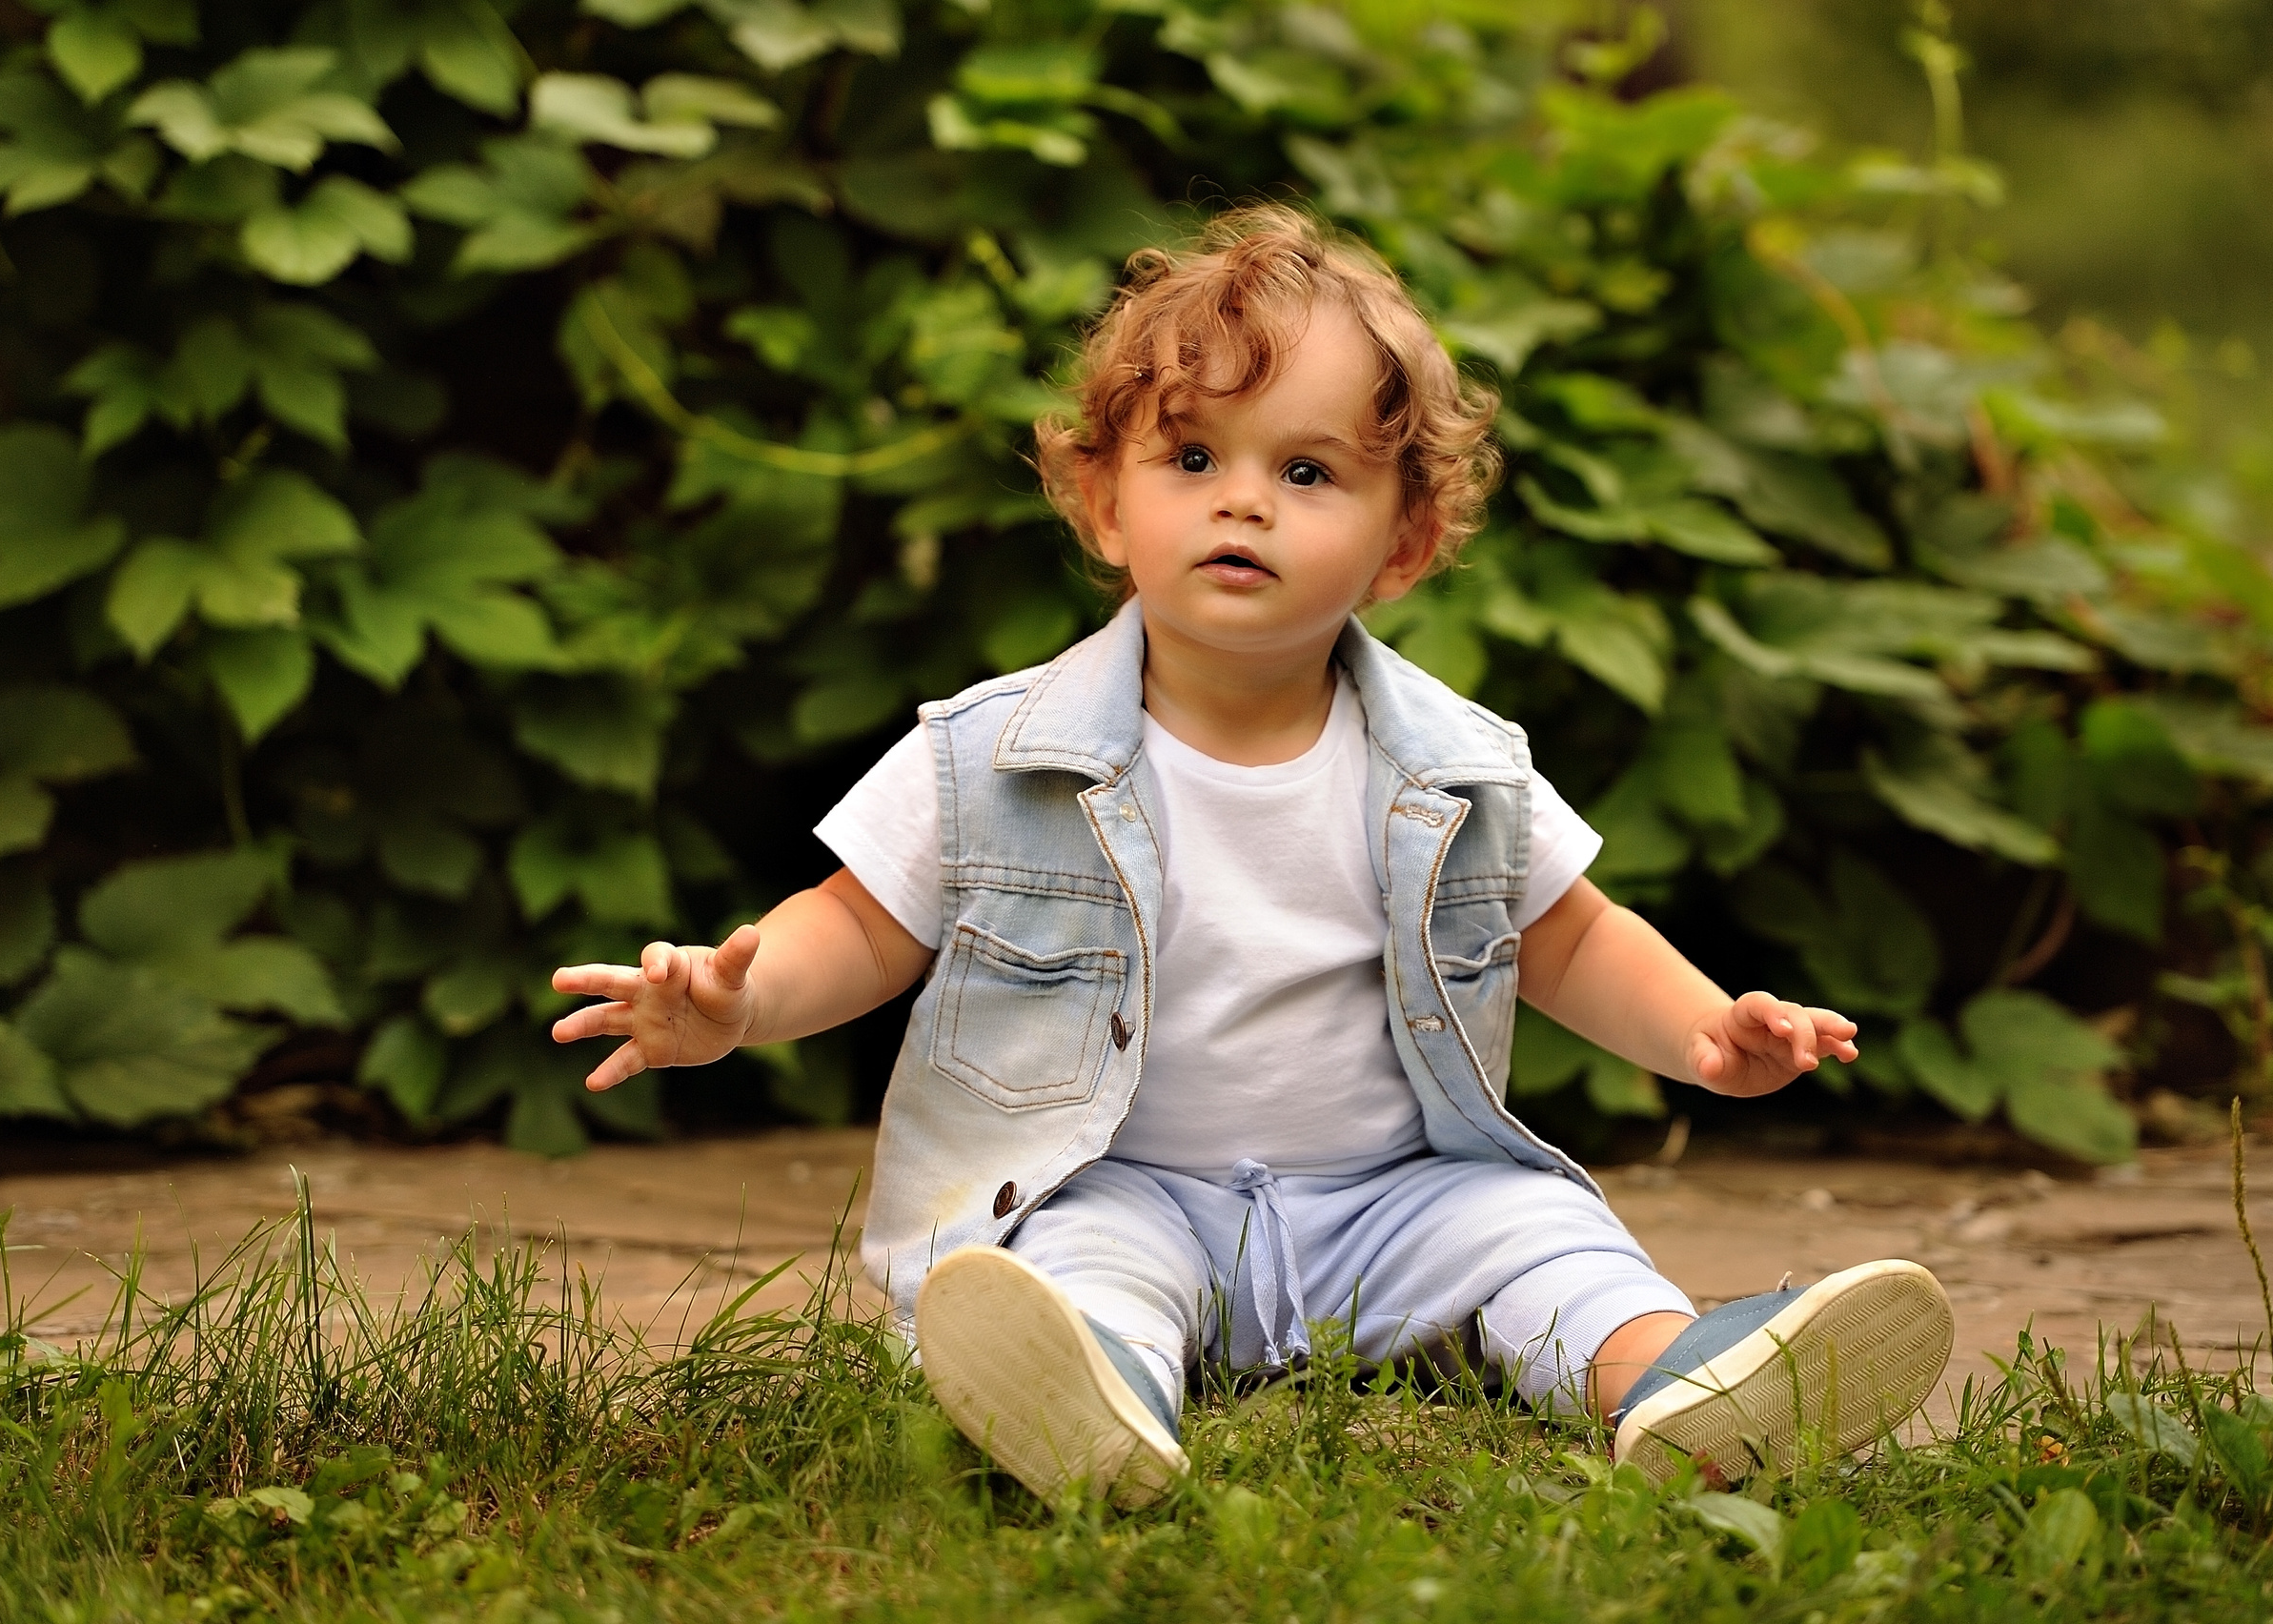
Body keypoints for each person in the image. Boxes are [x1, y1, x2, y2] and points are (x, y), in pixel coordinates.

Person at [550, 205, 1953, 1508]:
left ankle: (1678, 1382)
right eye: (1193, 459)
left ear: (1403, 543)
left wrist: (1703, 1030)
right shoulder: (993, 756)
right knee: (1072, 1269)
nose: (1244, 503)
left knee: (1538, 1232)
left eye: (1307, 471)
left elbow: (1571, 935)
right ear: (1106, 502)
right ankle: (1090, 1400)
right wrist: (741, 1001)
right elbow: (859, 925)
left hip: (1397, 1202)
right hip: (1121, 1189)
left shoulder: (1457, 766)